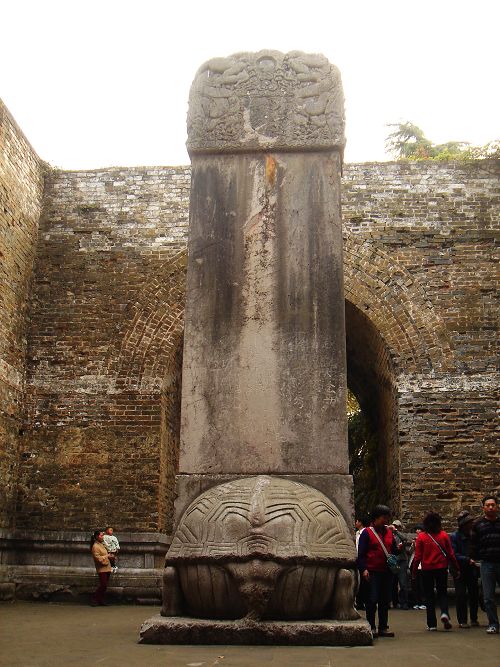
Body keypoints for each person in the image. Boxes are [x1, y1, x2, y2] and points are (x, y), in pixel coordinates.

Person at [412, 511, 460, 632]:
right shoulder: (443, 535)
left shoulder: (421, 537)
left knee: (429, 596)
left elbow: (417, 556)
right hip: (441, 568)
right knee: (442, 592)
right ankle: (444, 612)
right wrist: (456, 567)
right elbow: (450, 553)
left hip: (427, 569)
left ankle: (432, 624)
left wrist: (414, 571)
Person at [357, 504, 398, 638]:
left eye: (387, 518)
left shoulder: (389, 532)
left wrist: (399, 548)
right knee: (372, 599)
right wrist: (363, 569)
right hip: (373, 571)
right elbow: (361, 553)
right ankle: (371, 626)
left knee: (385, 600)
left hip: (386, 571)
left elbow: (393, 550)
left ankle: (383, 627)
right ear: (375, 518)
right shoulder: (367, 533)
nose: (386, 520)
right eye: (383, 518)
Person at [470, 495, 500, 634]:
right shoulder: (478, 525)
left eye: (493, 505)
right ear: (483, 508)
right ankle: (493, 623)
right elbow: (474, 544)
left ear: (497, 506)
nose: (490, 507)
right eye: (487, 505)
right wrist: (475, 559)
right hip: (487, 563)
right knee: (488, 597)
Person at [450, 510, 480, 628]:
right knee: (461, 594)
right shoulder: (455, 537)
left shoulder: (473, 536)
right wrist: (467, 559)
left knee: (474, 594)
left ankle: (473, 618)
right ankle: (462, 619)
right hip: (459, 569)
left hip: (472, 569)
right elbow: (453, 553)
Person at [390, 520, 410, 609]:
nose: (395, 528)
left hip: (402, 561)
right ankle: (394, 602)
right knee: (392, 583)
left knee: (403, 583)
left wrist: (396, 531)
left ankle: (404, 602)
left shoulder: (401, 535)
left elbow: (406, 540)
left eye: (397, 526)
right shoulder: (390, 535)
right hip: (393, 561)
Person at [90, 530, 112, 606]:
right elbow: (98, 558)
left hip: (107, 567)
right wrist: (107, 556)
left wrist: (111, 556)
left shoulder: (102, 544)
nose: (102, 537)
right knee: (103, 584)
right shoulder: (95, 546)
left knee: (105, 585)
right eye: (101, 535)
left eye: (102, 535)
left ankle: (100, 599)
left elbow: (106, 554)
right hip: (101, 568)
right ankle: (94, 599)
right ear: (96, 537)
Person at [409, 524, 426, 609]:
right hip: (414, 563)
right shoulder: (414, 540)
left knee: (422, 584)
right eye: (417, 530)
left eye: (419, 529)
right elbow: (411, 551)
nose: (417, 531)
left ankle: (422, 602)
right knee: (415, 584)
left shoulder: (424, 540)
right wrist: (413, 543)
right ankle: (416, 602)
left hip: (422, 564)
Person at [355, 515, 369, 610]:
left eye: (357, 521)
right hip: (357, 558)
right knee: (358, 582)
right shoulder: (357, 533)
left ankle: (364, 602)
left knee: (364, 583)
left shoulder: (365, 532)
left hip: (363, 559)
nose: (355, 523)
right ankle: (359, 602)